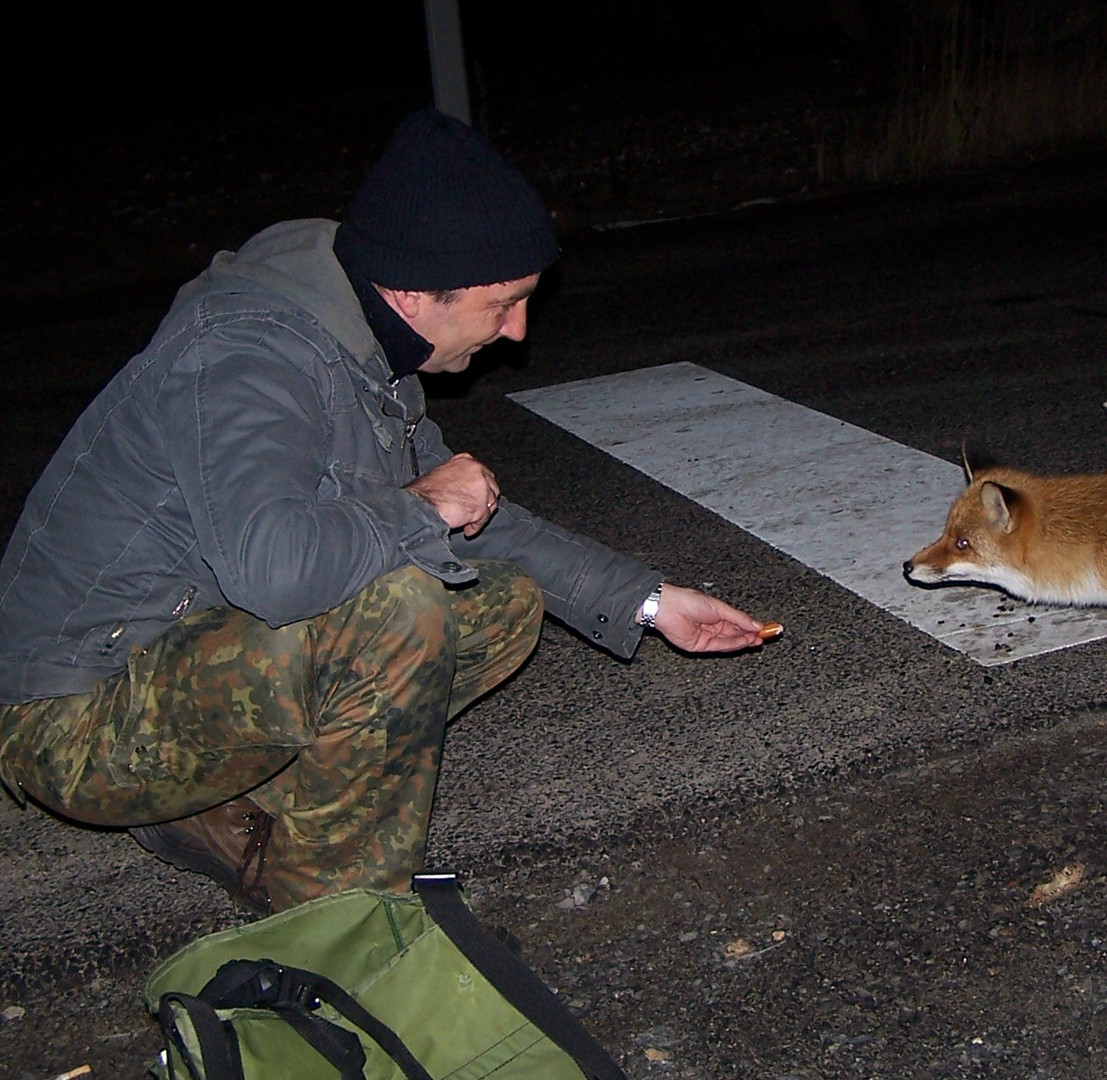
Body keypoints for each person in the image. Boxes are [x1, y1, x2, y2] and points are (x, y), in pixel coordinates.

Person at [0, 109, 768, 916]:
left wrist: (649, 602)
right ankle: (342, 922)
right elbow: (278, 568)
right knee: (400, 613)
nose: (518, 331)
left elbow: (479, 518)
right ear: (411, 292)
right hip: (73, 713)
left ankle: (224, 812)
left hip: (179, 660)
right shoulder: (243, 356)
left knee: (499, 603)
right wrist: (423, 504)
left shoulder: (358, 343)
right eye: (503, 303)